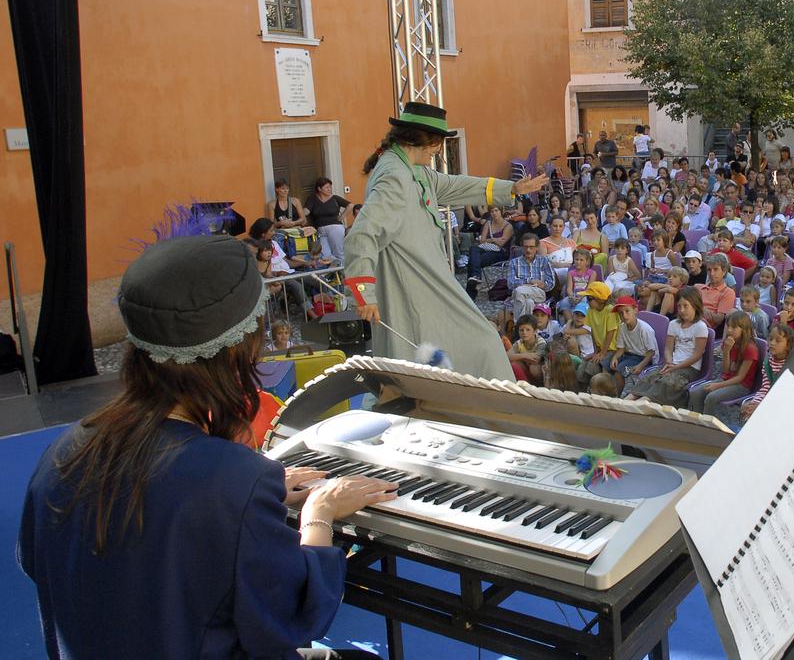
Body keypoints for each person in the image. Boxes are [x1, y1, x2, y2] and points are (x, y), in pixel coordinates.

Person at [19, 235, 394, 660]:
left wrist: (246, 499)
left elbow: (47, 565)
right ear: (239, 349)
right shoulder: (233, 480)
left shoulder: (62, 453)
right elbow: (292, 615)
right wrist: (318, 515)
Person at [344, 104, 548, 377]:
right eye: (438, 143)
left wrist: (510, 188)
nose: (439, 150)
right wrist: (364, 294)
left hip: (425, 280)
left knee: (472, 345)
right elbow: (362, 234)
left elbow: (454, 186)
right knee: (482, 344)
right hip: (411, 283)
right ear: (422, 139)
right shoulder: (394, 176)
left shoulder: (411, 169)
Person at [627, 287, 708, 406]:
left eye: (686, 306)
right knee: (649, 379)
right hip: (672, 364)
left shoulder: (700, 327)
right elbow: (668, 348)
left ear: (695, 306)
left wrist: (676, 367)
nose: (682, 310)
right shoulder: (673, 324)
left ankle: (641, 403)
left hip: (689, 368)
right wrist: (670, 362)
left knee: (665, 383)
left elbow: (697, 355)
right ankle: (626, 400)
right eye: (679, 306)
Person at [688, 311, 760, 416]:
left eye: (734, 327)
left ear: (744, 329)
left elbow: (740, 378)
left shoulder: (750, 349)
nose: (729, 330)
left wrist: (718, 385)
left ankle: (708, 426)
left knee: (711, 397)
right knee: (695, 392)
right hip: (726, 379)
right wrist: (726, 350)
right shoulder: (731, 342)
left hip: (741, 386)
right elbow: (726, 371)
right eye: (728, 326)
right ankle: (698, 420)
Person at [609, 296, 657, 393]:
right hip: (629, 356)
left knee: (621, 371)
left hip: (643, 358)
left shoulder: (644, 329)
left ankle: (621, 396)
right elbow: (621, 349)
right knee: (606, 363)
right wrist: (615, 357)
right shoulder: (622, 327)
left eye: (627, 311)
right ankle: (610, 392)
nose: (624, 315)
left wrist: (640, 366)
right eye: (621, 313)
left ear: (635, 310)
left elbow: (651, 353)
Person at [305, 177, 351, 263]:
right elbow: (306, 211)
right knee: (325, 255)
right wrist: (299, 215)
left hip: (335, 228)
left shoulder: (335, 198)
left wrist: (341, 218)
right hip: (321, 230)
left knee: (339, 253)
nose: (329, 189)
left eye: (330, 187)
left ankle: (344, 273)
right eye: (327, 187)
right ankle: (336, 270)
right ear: (319, 188)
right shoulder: (313, 199)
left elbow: (350, 205)